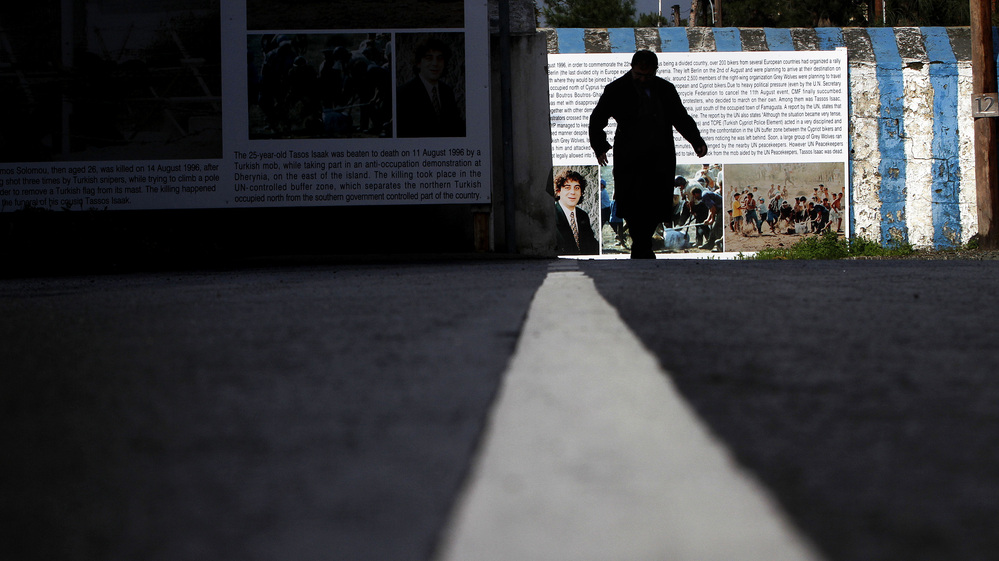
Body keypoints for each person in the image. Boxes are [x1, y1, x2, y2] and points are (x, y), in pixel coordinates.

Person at [589, 49, 707, 259]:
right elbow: (597, 119)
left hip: (659, 156)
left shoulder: (665, 89)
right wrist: (600, 147)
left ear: (655, 71)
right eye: (638, 75)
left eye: (647, 76)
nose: (643, 79)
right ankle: (642, 246)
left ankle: (642, 245)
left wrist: (696, 141)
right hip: (629, 156)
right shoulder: (616, 89)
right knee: (632, 202)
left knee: (656, 201)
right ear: (632, 69)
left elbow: (681, 117)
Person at [397, 37, 465, 137]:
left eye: (440, 58)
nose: (435, 63)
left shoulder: (447, 91)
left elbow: (456, 127)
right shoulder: (404, 93)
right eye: (429, 58)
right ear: (418, 63)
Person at [553, 169, 600, 255]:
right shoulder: (551, 216)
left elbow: (591, 246)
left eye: (577, 188)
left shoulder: (583, 215)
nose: (572, 192)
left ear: (581, 192)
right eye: (567, 187)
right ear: (558, 191)